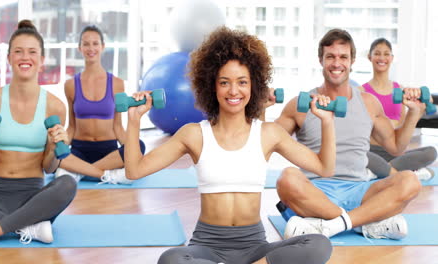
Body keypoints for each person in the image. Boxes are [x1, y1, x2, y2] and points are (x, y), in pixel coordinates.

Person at [124, 27, 333, 264]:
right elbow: (134, 170)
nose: (234, 91)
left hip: (255, 249)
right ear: (212, 86)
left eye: (242, 82)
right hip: (207, 247)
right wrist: (133, 120)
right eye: (225, 82)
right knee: (171, 259)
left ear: (253, 85)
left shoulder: (268, 133)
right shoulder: (194, 134)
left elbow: (324, 168)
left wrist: (327, 121)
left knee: (319, 244)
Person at [275, 28, 423, 241]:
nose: (337, 63)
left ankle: (329, 224)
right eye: (330, 57)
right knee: (286, 178)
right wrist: (259, 107)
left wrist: (414, 113)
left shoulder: (369, 103)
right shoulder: (301, 104)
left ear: (352, 60)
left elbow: (396, 147)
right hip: (315, 192)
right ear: (320, 60)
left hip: (360, 191)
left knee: (411, 180)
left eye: (343, 57)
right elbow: (266, 142)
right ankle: (365, 224)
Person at [0, 20, 77, 253]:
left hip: (33, 199)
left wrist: (53, 148)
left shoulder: (54, 106)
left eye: (32, 52)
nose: (24, 57)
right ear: (9, 58)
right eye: (18, 51)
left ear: (41, 59)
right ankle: (27, 228)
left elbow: (50, 169)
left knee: (68, 183)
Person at [54, 25, 145, 184]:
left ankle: (81, 172)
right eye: (86, 44)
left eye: (95, 43)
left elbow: (117, 126)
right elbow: (72, 126)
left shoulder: (116, 84)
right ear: (80, 48)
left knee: (139, 146)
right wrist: (58, 147)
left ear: (102, 47)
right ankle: (106, 175)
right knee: (52, 152)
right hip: (79, 150)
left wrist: (132, 150)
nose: (91, 48)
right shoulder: (70, 85)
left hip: (108, 152)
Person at [360, 38, 436, 180]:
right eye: (377, 53)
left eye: (386, 54)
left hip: (395, 152)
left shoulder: (400, 90)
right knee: (358, 154)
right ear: (369, 57)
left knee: (431, 152)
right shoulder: (362, 92)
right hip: (372, 150)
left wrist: (419, 109)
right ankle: (407, 172)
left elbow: (403, 126)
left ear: (392, 58)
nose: (382, 58)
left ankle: (380, 171)